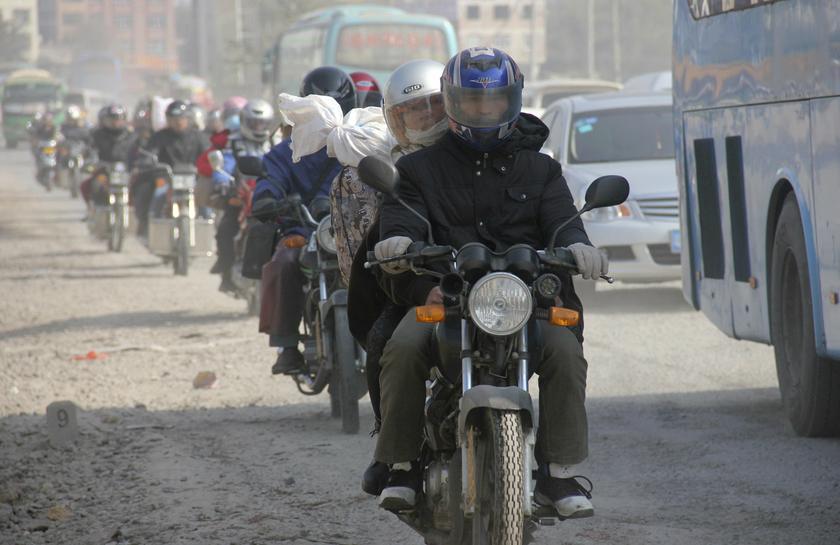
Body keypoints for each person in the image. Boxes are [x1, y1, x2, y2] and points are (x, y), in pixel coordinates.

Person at [370, 47, 607, 520]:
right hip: (449, 298)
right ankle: (401, 464)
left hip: (523, 299)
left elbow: (563, 223)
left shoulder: (542, 170)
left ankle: (557, 474)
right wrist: (399, 248)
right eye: (473, 103)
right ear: (452, 103)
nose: (483, 112)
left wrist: (580, 247)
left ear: (512, 101)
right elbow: (401, 220)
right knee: (402, 345)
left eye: (494, 102)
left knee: (563, 349)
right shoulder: (417, 171)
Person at [254, 66, 355, 375]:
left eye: (331, 106)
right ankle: (286, 344)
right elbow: (269, 178)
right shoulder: (286, 151)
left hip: (353, 232)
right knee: (284, 261)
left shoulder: (359, 143)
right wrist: (267, 197)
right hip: (303, 229)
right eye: (317, 106)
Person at [209, 99, 275, 292]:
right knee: (226, 229)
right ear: (245, 121)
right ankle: (226, 271)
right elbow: (226, 162)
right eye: (254, 122)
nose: (258, 127)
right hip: (240, 192)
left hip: (269, 193)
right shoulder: (234, 141)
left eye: (262, 123)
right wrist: (222, 182)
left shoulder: (274, 141)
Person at [135, 100, 209, 235]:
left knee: (205, 203)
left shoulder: (198, 137)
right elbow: (150, 152)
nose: (178, 122)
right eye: (173, 119)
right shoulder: (160, 136)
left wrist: (208, 164)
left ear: (188, 119)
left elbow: (208, 154)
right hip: (167, 179)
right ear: (168, 120)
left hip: (194, 180)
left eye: (181, 118)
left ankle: (208, 231)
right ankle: (151, 230)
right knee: (157, 196)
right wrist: (148, 161)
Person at [81, 104, 134, 208]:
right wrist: (90, 161)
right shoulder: (96, 135)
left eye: (118, 119)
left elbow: (138, 152)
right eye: (110, 119)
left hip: (127, 172)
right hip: (104, 171)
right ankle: (93, 209)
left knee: (139, 187)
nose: (114, 122)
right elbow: (89, 150)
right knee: (88, 186)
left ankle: (136, 214)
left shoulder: (131, 136)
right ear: (103, 120)